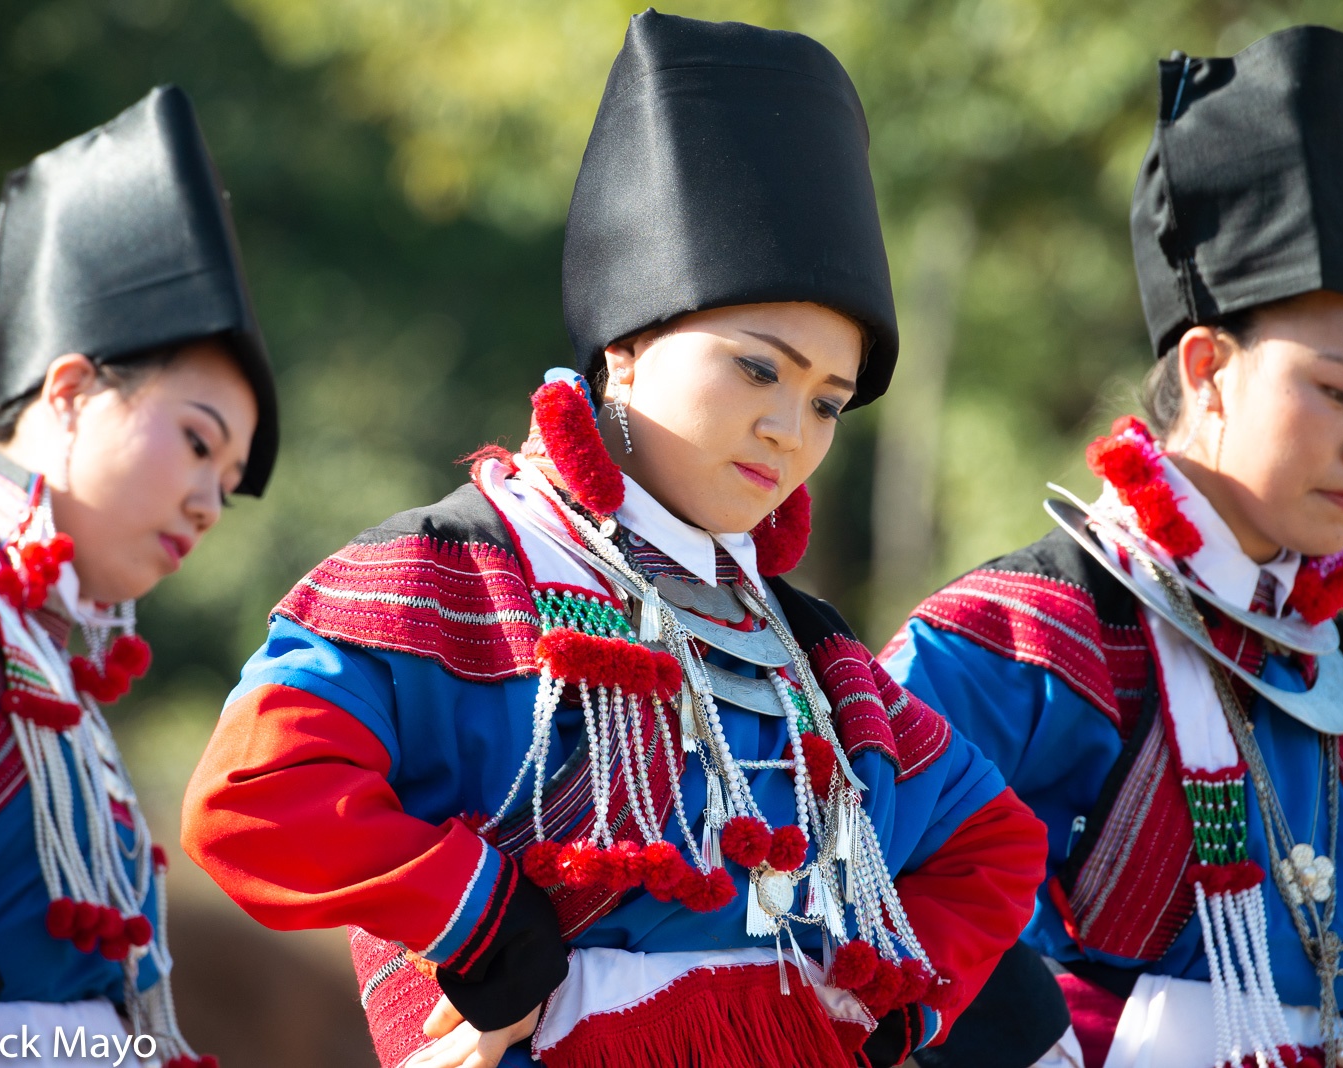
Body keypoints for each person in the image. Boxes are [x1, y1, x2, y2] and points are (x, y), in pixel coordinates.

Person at [180, 11, 1048, 1068]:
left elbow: (989, 844)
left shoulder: (807, 655)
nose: (789, 429)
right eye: (759, 368)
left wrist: (889, 1012)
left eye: (830, 402)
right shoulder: (464, 570)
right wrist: (481, 922)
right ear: (627, 350)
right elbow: (252, 797)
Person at [882, 26, 1343, 1068]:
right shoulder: (1034, 632)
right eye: (1335, 392)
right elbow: (869, 859)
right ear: (1209, 366)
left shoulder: (1335, 673)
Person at [0, 85, 278, 1068]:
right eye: (199, 444)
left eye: (231, 480)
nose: (210, 500)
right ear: (70, 390)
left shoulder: (40, 638)